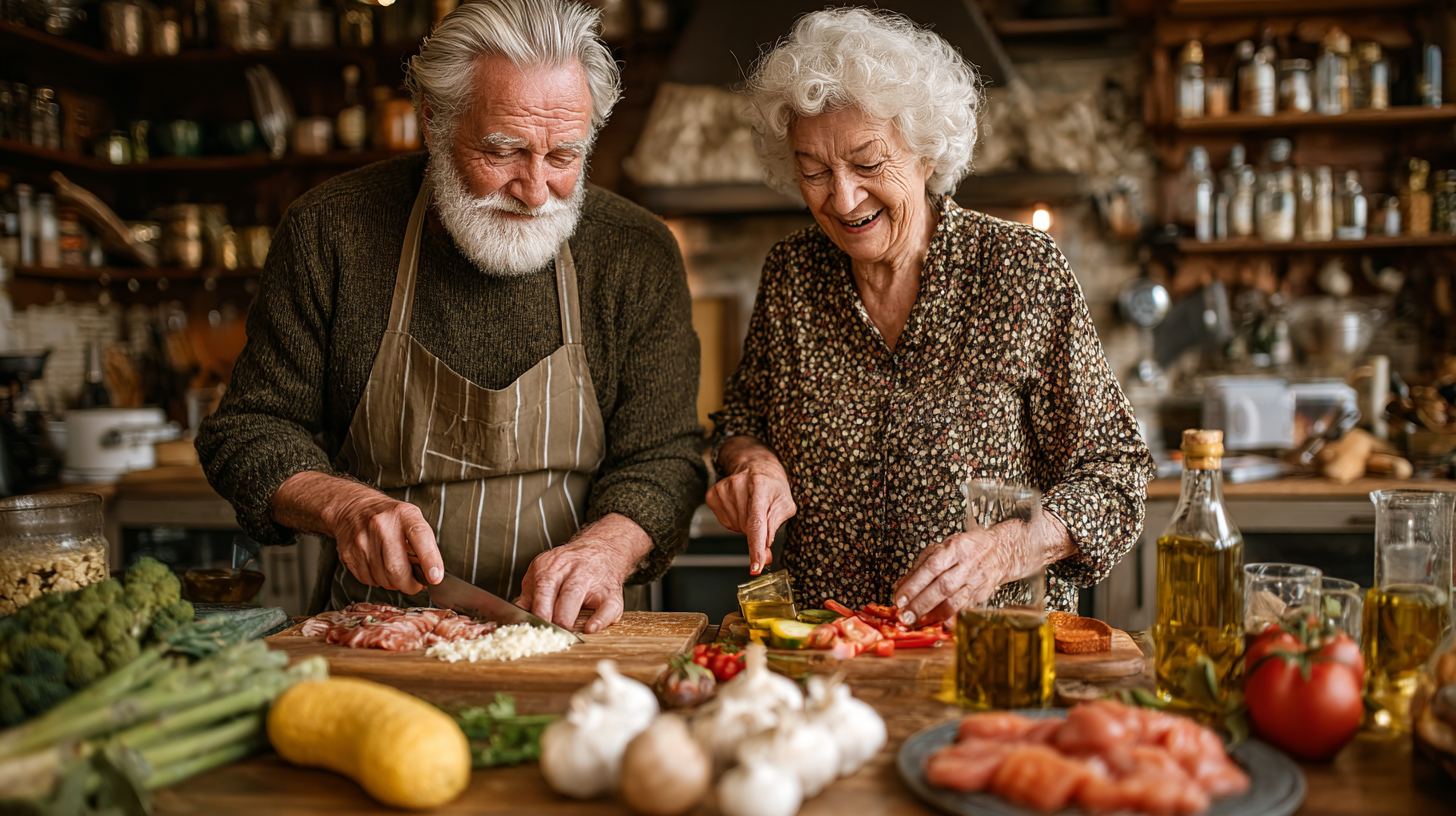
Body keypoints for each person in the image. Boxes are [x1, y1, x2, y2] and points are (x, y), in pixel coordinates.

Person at [196, 0, 705, 632]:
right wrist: (344, 505)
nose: (534, 189)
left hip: (581, 635)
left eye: (563, 156)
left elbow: (666, 456)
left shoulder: (634, 250)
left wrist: (607, 548)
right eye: (503, 150)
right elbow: (247, 429)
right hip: (378, 633)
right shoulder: (331, 231)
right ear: (434, 121)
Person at [706, 8, 1154, 626]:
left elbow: (1115, 474)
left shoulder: (1020, 270)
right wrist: (752, 463)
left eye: (868, 164)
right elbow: (741, 419)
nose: (842, 198)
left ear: (923, 151)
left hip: (990, 651)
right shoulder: (792, 274)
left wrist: (1003, 549)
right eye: (814, 171)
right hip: (830, 653)